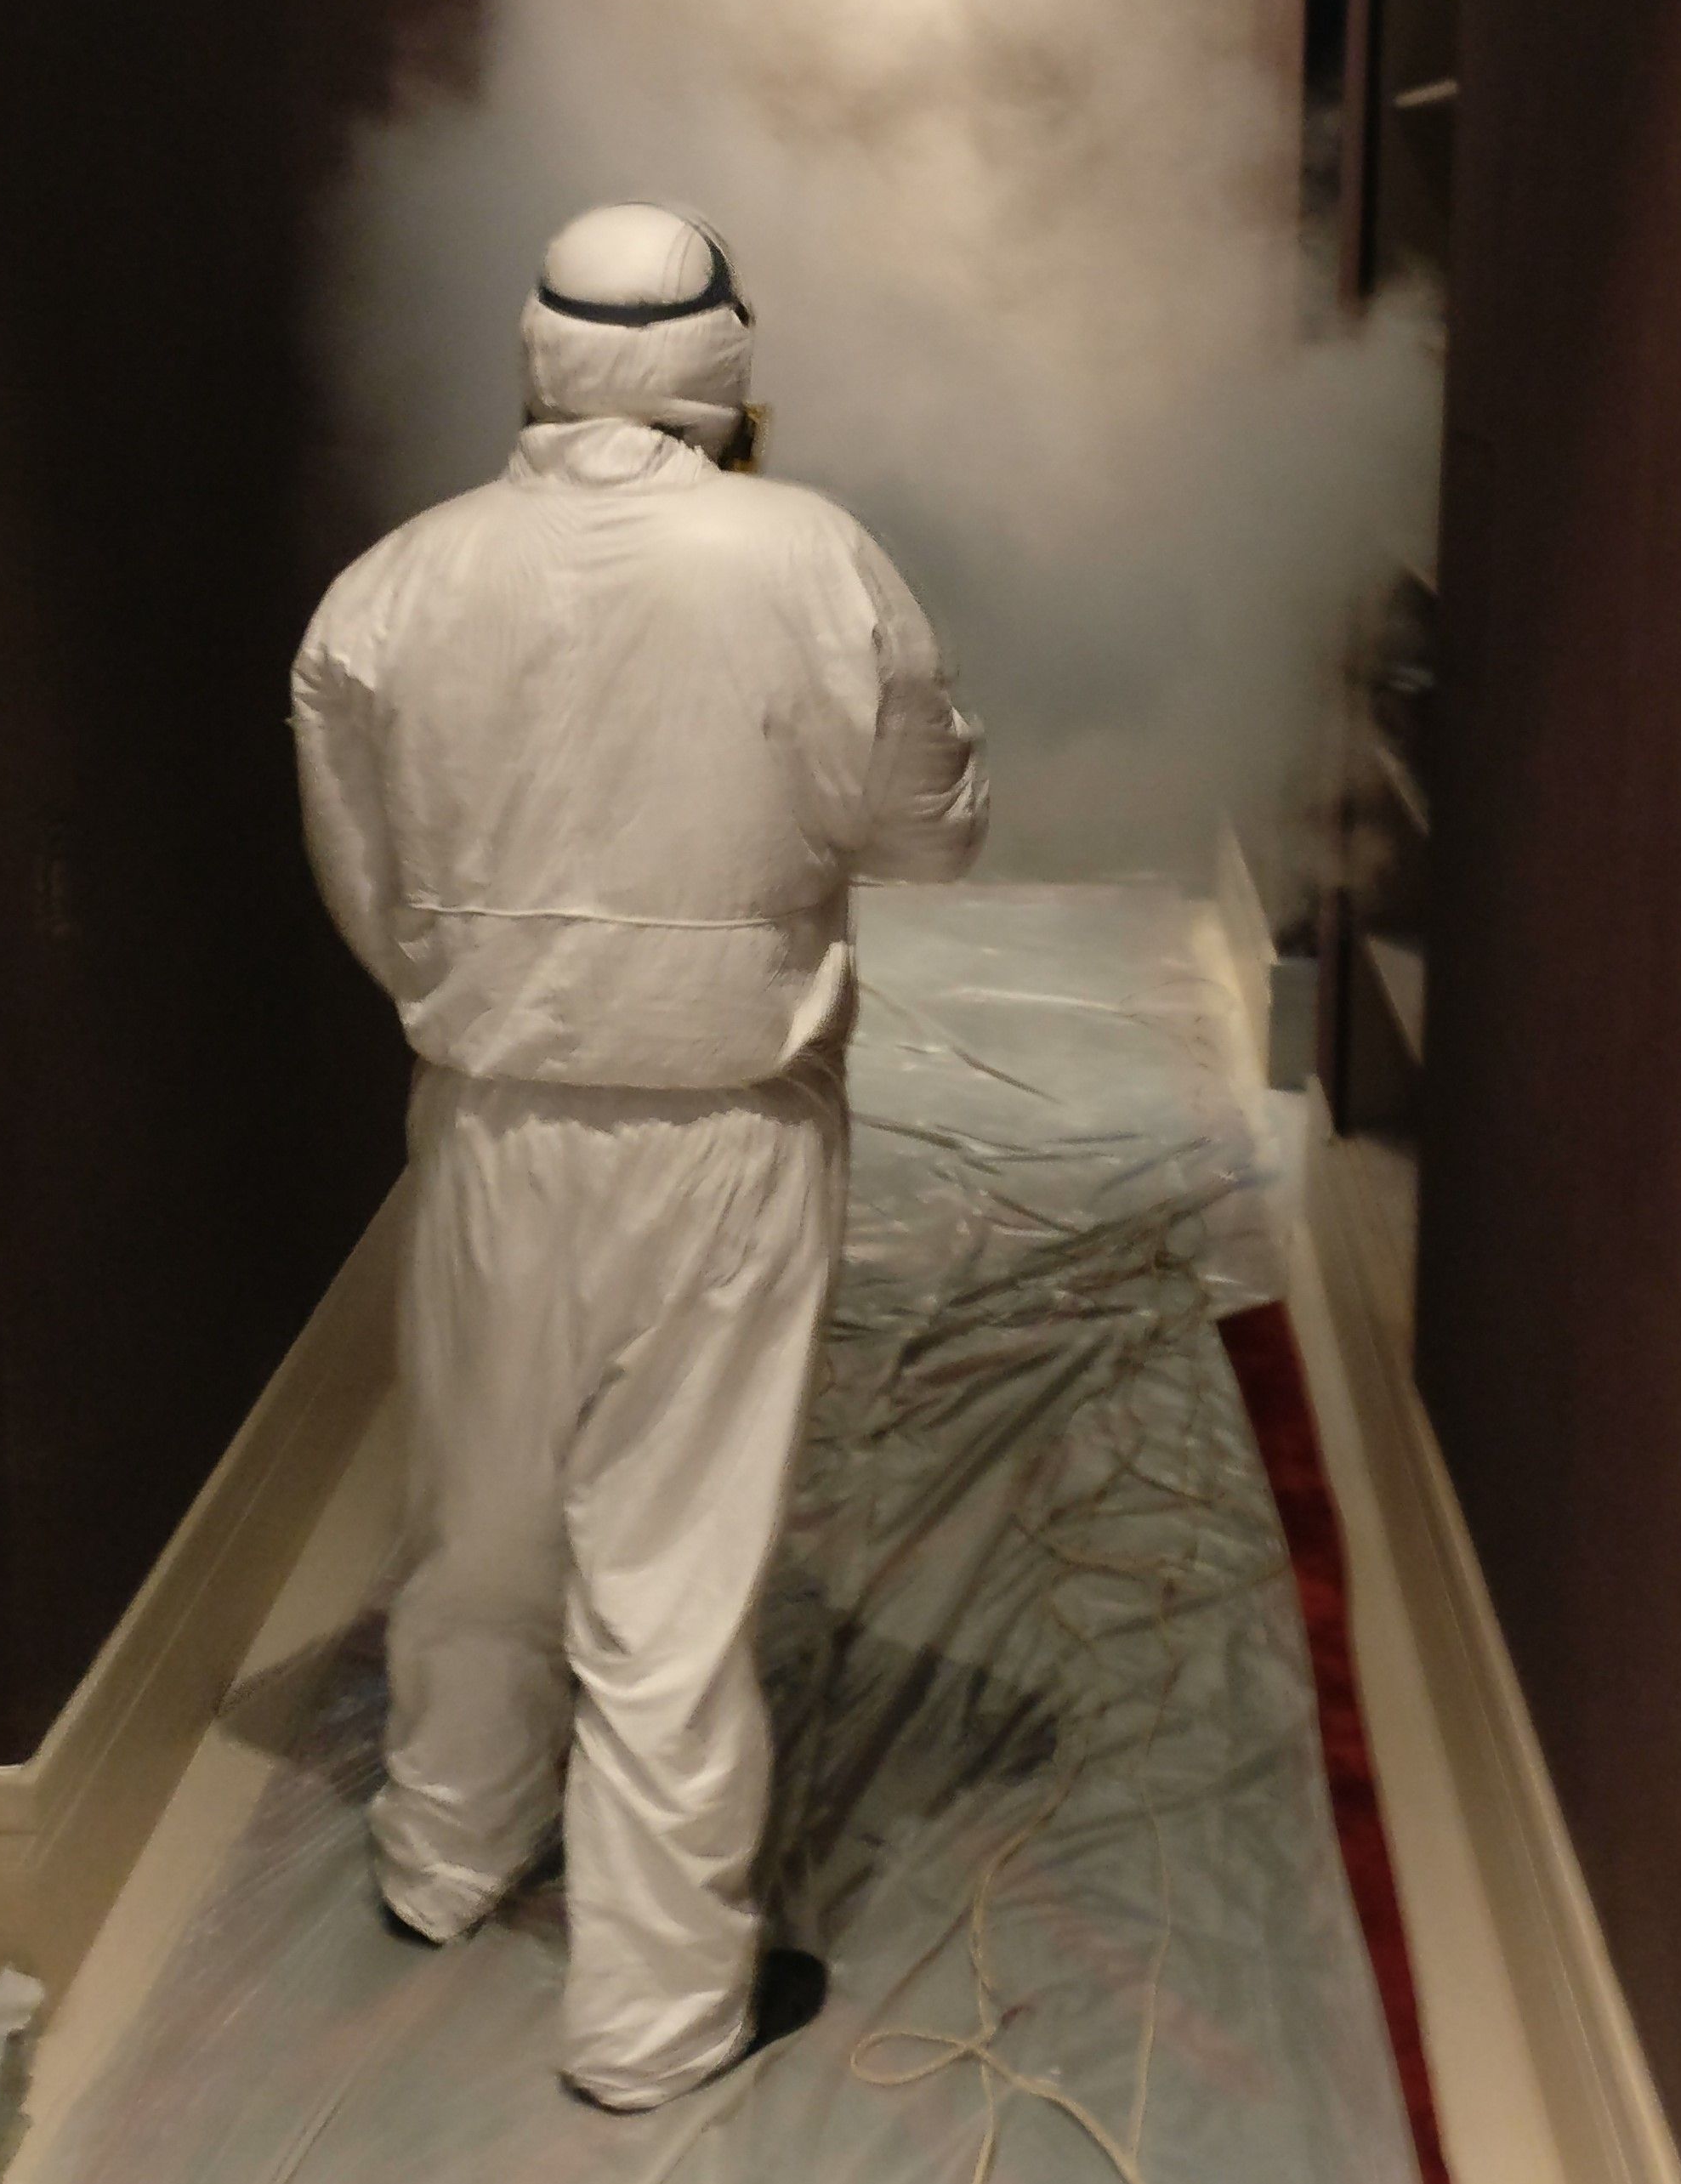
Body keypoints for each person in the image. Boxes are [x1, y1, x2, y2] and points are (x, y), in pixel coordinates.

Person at [291, 201, 986, 2109]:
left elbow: (369, 893)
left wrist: (498, 993)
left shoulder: (390, 586)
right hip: (726, 1134)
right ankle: (655, 2013)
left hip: (488, 1117)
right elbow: (934, 833)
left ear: (540, 349)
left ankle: (442, 1850)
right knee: (669, 1570)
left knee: (480, 1505)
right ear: (722, 356)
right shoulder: (813, 554)